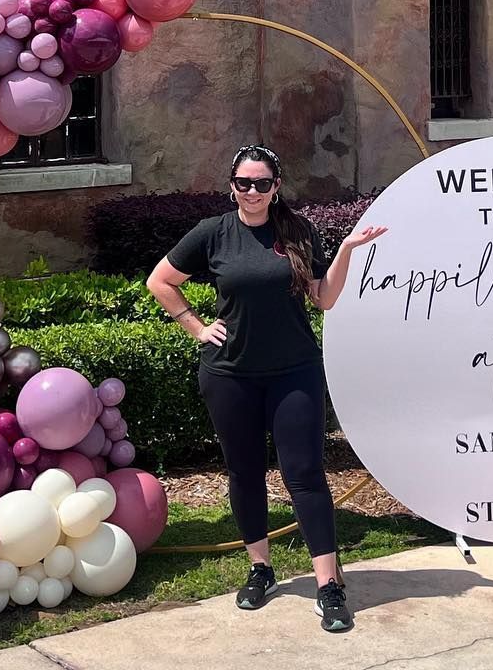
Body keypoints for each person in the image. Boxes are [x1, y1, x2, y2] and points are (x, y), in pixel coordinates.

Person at [146, 145, 386, 633]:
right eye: (243, 183)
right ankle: (261, 569)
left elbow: (324, 299)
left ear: (277, 187)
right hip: (229, 374)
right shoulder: (213, 233)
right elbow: (161, 281)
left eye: (261, 183)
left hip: (293, 371)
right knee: (245, 472)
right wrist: (194, 326)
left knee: (305, 475)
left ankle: (328, 586)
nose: (251, 192)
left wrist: (343, 252)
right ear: (231, 185)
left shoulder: (297, 232)